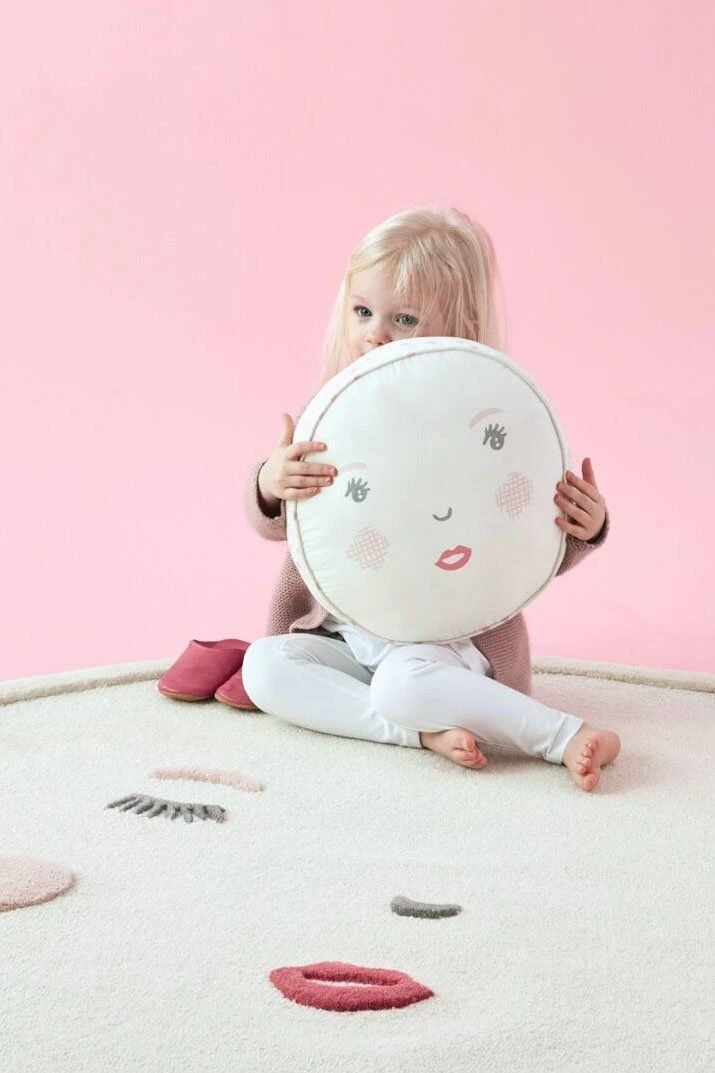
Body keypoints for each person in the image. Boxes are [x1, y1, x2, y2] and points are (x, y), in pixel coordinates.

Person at [241, 206, 621, 792]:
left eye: (404, 318)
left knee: (404, 684)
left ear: (461, 324)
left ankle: (562, 735)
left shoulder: (489, 421)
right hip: (343, 637)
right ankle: (418, 733)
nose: (375, 333)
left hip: (445, 648)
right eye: (362, 311)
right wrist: (271, 485)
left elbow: (519, 544)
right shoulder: (337, 411)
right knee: (265, 667)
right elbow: (293, 525)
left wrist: (584, 528)